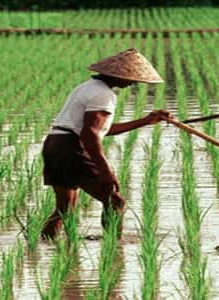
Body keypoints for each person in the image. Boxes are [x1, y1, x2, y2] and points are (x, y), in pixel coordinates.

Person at [41, 48, 170, 239]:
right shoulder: (104, 95)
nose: (132, 83)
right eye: (130, 78)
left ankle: (40, 247)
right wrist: (105, 170)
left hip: (55, 143)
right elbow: (90, 134)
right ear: (116, 75)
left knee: (64, 209)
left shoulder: (87, 87)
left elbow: (100, 129)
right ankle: (114, 248)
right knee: (115, 201)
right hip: (71, 148)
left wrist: (146, 120)